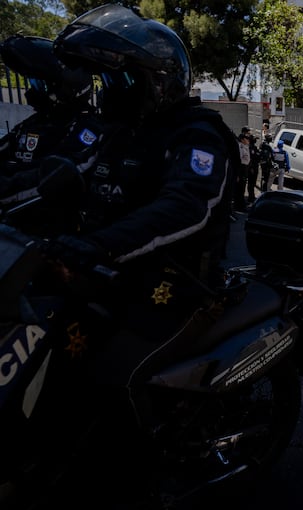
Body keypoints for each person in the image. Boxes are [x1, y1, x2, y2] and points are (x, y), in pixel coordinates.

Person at [50, 3, 239, 388]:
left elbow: (186, 206)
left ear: (157, 81)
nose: (107, 94)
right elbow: (71, 174)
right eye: (104, 82)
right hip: (111, 275)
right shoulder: (122, 131)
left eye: (118, 82)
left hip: (172, 285)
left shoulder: (197, 134)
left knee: (111, 380)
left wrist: (99, 246)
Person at [0, 35, 98, 206]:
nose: (33, 91)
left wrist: (7, 183)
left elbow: (54, 174)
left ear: (67, 88)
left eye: (41, 85)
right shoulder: (35, 122)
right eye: (33, 84)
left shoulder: (86, 127)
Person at [233, 132, 251, 212]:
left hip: (245, 168)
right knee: (240, 189)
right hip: (241, 168)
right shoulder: (240, 147)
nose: (248, 140)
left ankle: (240, 204)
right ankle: (239, 206)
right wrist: (237, 174)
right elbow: (238, 161)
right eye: (247, 139)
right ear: (243, 140)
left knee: (242, 188)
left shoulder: (245, 146)